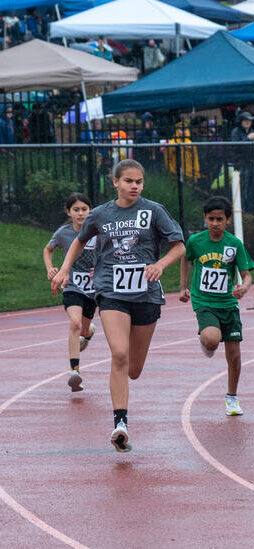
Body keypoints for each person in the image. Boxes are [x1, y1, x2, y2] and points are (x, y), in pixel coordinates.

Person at [51, 159, 185, 453]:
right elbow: (78, 241)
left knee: (134, 369)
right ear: (115, 182)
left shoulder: (154, 211)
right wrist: (63, 269)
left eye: (139, 181)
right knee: (119, 354)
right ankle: (120, 424)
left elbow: (179, 246)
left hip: (146, 295)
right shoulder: (100, 214)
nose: (134, 186)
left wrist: (160, 264)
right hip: (111, 290)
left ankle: (121, 409)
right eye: (128, 181)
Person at [179, 196, 254, 416]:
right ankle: (207, 340)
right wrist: (183, 286)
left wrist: (244, 287)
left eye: (219, 219)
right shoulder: (196, 241)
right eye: (211, 219)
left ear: (228, 220)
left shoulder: (234, 244)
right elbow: (185, 258)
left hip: (228, 304)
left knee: (234, 356)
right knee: (212, 340)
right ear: (205, 218)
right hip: (204, 302)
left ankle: (232, 398)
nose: (215, 223)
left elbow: (247, 274)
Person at [43, 193, 97, 392]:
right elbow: (48, 250)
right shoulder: (63, 233)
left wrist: (100, 268)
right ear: (69, 212)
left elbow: (111, 253)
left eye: (84, 209)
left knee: (83, 329)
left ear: (90, 211)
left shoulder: (97, 231)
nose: (81, 213)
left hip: (93, 289)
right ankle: (75, 371)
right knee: (74, 324)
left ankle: (90, 331)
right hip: (72, 285)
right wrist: (51, 268)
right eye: (76, 210)